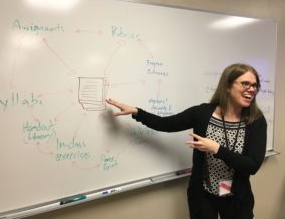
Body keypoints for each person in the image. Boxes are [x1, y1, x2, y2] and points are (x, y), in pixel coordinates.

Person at [106, 63, 267, 219]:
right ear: (227, 86)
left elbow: (252, 166)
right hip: (203, 197)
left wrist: (217, 149)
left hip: (237, 199)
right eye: (245, 84)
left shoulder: (256, 121)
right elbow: (166, 124)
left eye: (254, 85)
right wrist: (136, 112)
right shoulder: (203, 113)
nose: (251, 90)